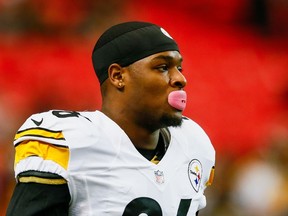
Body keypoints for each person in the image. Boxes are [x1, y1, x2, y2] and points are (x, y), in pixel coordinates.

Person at [7, 21, 215, 215]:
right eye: (162, 67)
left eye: (179, 68)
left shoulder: (193, 142)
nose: (180, 78)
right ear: (118, 76)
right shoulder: (71, 141)